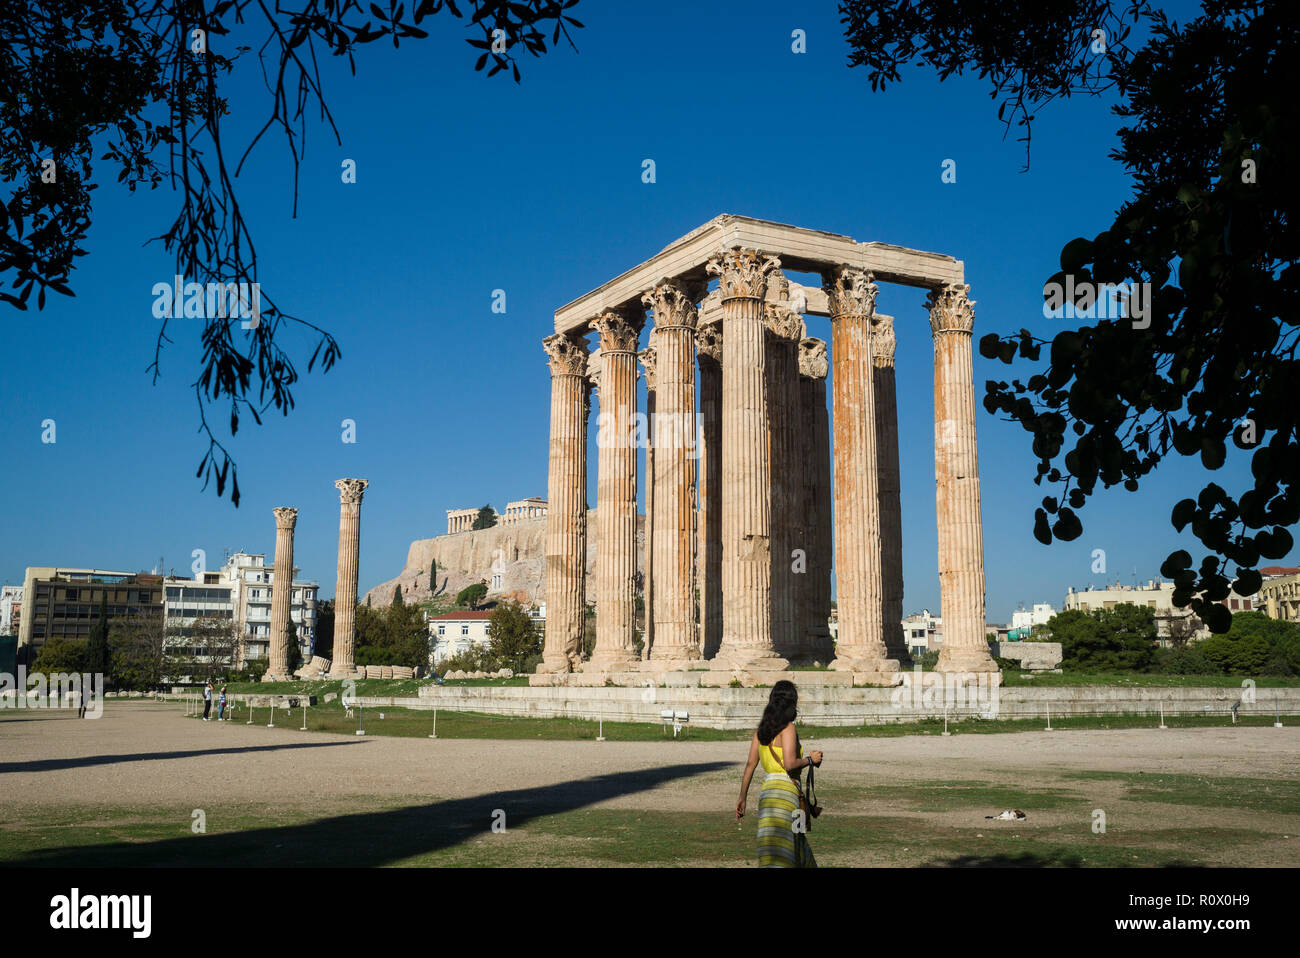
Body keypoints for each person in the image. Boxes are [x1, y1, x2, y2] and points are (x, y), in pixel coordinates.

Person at [735, 679, 822, 868]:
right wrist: (810, 760)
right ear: (792, 702)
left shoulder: (761, 731)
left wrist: (742, 797)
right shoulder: (788, 728)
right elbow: (790, 764)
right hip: (789, 797)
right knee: (791, 849)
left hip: (768, 797)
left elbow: (750, 764)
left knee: (784, 849)